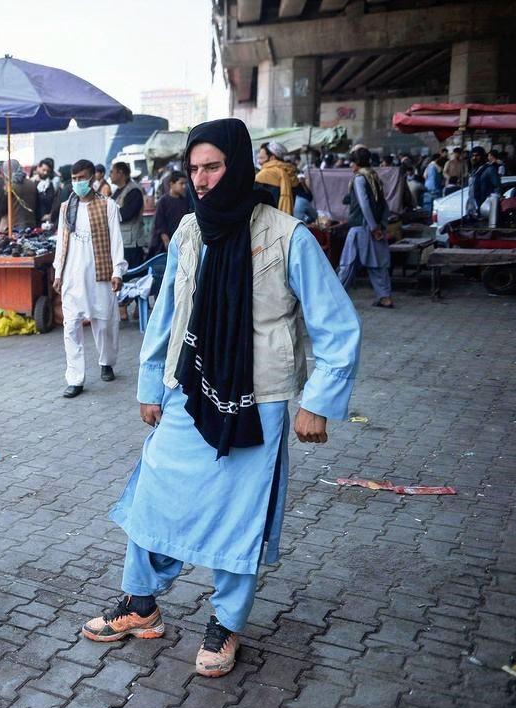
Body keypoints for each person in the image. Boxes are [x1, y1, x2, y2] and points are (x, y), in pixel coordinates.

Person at [81, 118, 361, 679]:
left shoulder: (288, 236)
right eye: (194, 169)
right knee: (153, 494)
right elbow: (167, 315)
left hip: (260, 400)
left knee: (239, 517)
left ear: (237, 164)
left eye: (213, 167)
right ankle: (142, 604)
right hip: (190, 390)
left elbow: (338, 326)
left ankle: (226, 623)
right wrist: (150, 384)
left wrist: (319, 401)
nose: (203, 179)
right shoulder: (187, 232)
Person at [53, 158, 126, 398]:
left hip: (100, 276)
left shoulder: (107, 206)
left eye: (81, 178)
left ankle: (106, 361)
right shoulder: (66, 208)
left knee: (104, 323)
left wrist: (118, 271)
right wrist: (57, 272)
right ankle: (75, 378)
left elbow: (116, 240)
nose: (77, 183)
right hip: (72, 278)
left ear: (92, 178)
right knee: (70, 326)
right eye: (74, 179)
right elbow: (61, 243)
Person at [338, 147, 393, 308]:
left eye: (351, 162)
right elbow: (384, 204)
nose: (350, 166)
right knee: (377, 264)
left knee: (347, 264)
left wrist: (373, 227)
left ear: (357, 163)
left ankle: (336, 297)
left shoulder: (359, 179)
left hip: (361, 227)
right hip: (374, 225)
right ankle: (385, 297)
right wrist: (381, 226)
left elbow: (364, 204)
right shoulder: (374, 177)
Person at [110, 161, 146, 267]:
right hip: (122, 240)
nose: (110, 175)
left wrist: (110, 213)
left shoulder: (134, 191)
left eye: (112, 172)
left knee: (132, 276)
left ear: (120, 173)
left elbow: (127, 214)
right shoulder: (118, 191)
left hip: (131, 243)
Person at [254, 142, 305, 215]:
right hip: (287, 219)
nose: (259, 162)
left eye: (262, 158)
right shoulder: (292, 174)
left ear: (272, 158)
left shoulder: (263, 175)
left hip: (267, 219)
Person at [149, 171, 191, 258]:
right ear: (172, 184)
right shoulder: (163, 201)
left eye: (185, 183)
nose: (184, 186)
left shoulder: (184, 201)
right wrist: (167, 243)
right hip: (163, 246)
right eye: (181, 183)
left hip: (180, 242)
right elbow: (160, 224)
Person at [0, 159, 38, 232]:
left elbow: (1, 208)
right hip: (31, 225)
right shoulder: (32, 184)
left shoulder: (9, 186)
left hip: (14, 225)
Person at [468, 146, 501, 214]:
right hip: (472, 208)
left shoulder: (490, 169)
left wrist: (491, 204)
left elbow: (497, 188)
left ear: (482, 156)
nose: (474, 158)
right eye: (472, 156)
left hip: (485, 208)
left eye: (477, 156)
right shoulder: (473, 171)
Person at [35, 158, 60, 227]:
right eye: (43, 170)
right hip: (35, 221)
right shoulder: (32, 183)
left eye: (48, 171)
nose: (45, 173)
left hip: (48, 222)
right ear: (38, 168)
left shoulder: (52, 184)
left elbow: (56, 201)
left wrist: (51, 214)